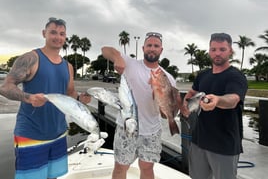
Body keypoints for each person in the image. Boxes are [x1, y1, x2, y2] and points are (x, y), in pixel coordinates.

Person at [0, 17, 91, 179]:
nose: (58, 37)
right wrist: (28, 97)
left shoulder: (68, 66)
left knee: (53, 176)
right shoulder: (31, 58)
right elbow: (6, 87)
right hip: (31, 134)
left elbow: (69, 93)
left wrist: (79, 98)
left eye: (62, 34)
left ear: (65, 37)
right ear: (44, 33)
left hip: (59, 134)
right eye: (53, 32)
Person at [102, 32, 182, 179]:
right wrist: (118, 57)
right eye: (149, 45)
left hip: (152, 130)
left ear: (161, 50)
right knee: (120, 166)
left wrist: (165, 106)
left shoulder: (168, 78)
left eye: (156, 46)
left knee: (147, 167)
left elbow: (165, 115)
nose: (152, 48)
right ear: (143, 48)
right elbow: (105, 50)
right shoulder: (130, 64)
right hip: (127, 126)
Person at [181, 33, 248, 179]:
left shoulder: (236, 76)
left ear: (230, 51)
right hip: (198, 141)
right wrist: (185, 104)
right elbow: (192, 92)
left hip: (224, 145)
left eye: (222, 49)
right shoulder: (203, 75)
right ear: (209, 51)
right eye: (214, 49)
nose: (217, 53)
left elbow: (233, 99)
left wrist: (217, 100)